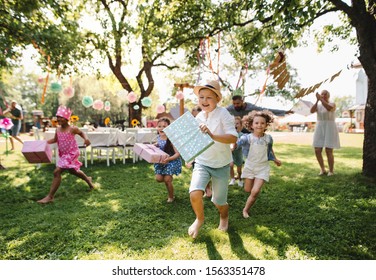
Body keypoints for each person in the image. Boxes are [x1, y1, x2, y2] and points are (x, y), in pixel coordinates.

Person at [188, 80, 238, 238]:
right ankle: (199, 219)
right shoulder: (198, 117)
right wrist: (190, 157)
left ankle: (224, 216)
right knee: (195, 193)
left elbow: (233, 138)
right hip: (202, 162)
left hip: (221, 164)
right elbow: (195, 140)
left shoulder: (224, 114)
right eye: (201, 97)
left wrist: (212, 135)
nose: (204, 101)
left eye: (209, 97)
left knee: (219, 202)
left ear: (217, 99)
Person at [37, 106, 94, 204]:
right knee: (73, 171)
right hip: (64, 154)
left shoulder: (72, 129)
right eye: (58, 117)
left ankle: (50, 196)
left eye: (61, 117)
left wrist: (86, 139)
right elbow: (55, 140)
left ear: (67, 118)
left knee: (57, 172)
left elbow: (82, 133)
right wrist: (44, 142)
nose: (59, 119)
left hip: (72, 153)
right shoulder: (58, 130)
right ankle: (88, 180)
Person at [239, 110, 281, 219]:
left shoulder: (268, 138)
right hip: (250, 167)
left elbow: (270, 150)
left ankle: (245, 210)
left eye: (262, 123)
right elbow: (237, 143)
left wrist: (275, 159)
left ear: (266, 124)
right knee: (247, 190)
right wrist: (232, 146)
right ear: (251, 125)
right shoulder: (247, 138)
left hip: (263, 167)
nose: (259, 125)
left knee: (255, 191)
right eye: (256, 123)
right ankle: (251, 187)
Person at [310, 90, 340, 176]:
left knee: (328, 150)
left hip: (330, 127)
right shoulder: (319, 105)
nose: (323, 95)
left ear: (328, 96)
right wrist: (317, 100)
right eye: (322, 94)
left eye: (325, 94)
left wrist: (321, 99)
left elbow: (328, 108)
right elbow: (312, 110)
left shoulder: (332, 104)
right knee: (317, 150)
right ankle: (322, 169)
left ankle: (331, 171)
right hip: (320, 127)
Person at [154, 117, 182, 203]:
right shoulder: (158, 137)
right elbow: (158, 148)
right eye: (159, 126)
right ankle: (168, 178)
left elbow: (178, 154)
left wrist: (169, 159)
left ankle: (171, 196)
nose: (161, 128)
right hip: (162, 162)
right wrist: (155, 146)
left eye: (164, 126)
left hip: (172, 161)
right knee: (158, 179)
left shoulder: (172, 139)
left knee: (167, 180)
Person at [226, 95, 292, 123]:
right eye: (234, 103)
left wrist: (284, 112)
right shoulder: (231, 108)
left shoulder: (251, 107)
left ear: (242, 101)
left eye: (238, 103)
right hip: (238, 129)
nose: (235, 105)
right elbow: (221, 111)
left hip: (248, 129)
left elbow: (267, 110)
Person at [229, 116, 244, 187]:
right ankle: (232, 179)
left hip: (238, 154)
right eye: (233, 124)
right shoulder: (230, 135)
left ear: (241, 125)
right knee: (230, 165)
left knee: (239, 170)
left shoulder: (242, 135)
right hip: (231, 154)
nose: (235, 125)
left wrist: (235, 146)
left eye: (237, 123)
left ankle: (240, 179)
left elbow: (240, 145)